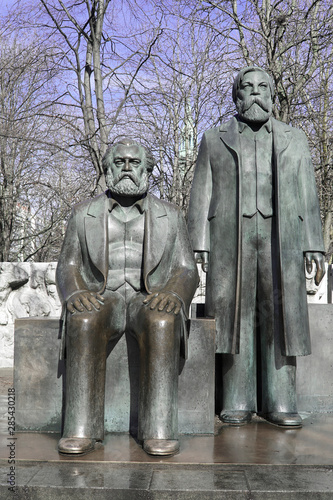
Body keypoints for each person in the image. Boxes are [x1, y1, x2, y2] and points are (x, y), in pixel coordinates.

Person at [188, 66, 325, 427]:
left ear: (272, 95)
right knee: (235, 315)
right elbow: (201, 190)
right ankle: (238, 399)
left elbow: (308, 193)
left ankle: (281, 400)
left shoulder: (295, 138)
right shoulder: (214, 138)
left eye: (263, 87)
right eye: (246, 88)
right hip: (229, 237)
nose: (255, 93)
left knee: (282, 315)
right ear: (236, 97)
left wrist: (316, 244)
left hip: (283, 236)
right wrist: (198, 241)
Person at [56, 138, 198, 456]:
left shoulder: (171, 216)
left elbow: (187, 268)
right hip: (101, 295)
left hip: (148, 297)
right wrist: (76, 290)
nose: (127, 169)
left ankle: (158, 428)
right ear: (107, 168)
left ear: (147, 169)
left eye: (134, 163)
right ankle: (82, 427)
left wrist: (175, 292)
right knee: (84, 318)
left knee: (162, 320)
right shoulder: (82, 214)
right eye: (119, 162)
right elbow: (67, 265)